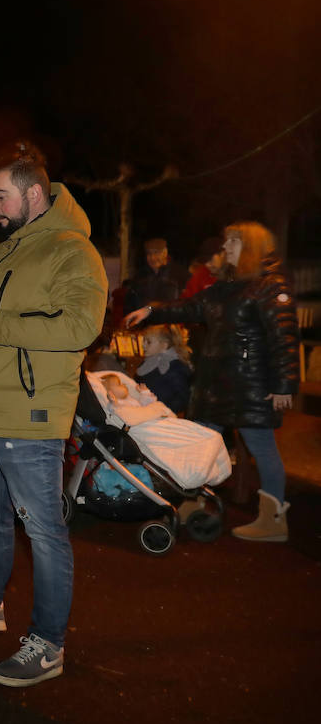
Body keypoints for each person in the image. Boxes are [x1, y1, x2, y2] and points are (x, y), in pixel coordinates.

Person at [0, 143, 108, 688]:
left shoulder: (73, 251)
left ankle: (48, 644)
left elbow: (80, 327)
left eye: (0, 196)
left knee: (46, 533)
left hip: (31, 413)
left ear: (34, 194)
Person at [124, 220, 299, 541]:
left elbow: (284, 338)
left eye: (232, 244)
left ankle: (273, 520)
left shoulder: (270, 287)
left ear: (249, 249)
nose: (225, 249)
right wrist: (151, 310)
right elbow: (188, 306)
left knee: (263, 449)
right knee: (199, 445)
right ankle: (193, 504)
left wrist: (284, 385)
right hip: (218, 386)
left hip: (252, 387)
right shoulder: (226, 288)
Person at [134, 324, 192, 415]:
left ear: (164, 345)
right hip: (142, 411)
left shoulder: (176, 366)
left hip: (161, 417)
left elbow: (182, 398)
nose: (143, 345)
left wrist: (162, 411)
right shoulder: (147, 362)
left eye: (148, 342)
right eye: (143, 340)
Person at [124, 237, 187, 310]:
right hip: (145, 320)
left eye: (156, 253)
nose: (153, 258)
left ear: (165, 253)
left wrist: (158, 305)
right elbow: (130, 303)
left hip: (170, 319)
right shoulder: (139, 277)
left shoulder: (180, 274)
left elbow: (186, 302)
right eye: (149, 254)